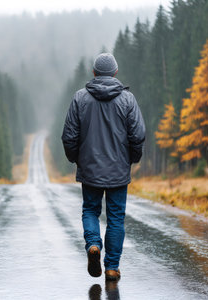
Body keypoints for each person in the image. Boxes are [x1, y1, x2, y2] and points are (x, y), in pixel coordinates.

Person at [61, 53, 145, 281]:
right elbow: (138, 135)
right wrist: (131, 159)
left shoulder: (80, 98)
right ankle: (111, 267)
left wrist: (77, 159)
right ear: (115, 72)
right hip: (118, 170)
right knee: (116, 217)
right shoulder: (128, 100)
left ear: (94, 73)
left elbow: (69, 136)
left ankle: (93, 246)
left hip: (90, 169)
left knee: (90, 210)